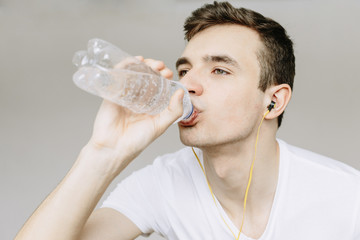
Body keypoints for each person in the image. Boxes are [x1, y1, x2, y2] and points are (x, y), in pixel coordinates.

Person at [16, 1, 360, 240]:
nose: (187, 84)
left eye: (219, 70)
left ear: (273, 101)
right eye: (184, 69)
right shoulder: (161, 184)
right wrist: (104, 152)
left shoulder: (347, 196)